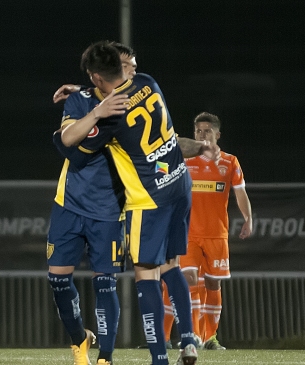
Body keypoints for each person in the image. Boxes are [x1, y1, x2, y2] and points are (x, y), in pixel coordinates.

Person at [59, 41, 219, 365]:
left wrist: (87, 107)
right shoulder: (148, 82)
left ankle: (159, 359)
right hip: (179, 183)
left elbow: (69, 141)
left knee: (145, 274)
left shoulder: (110, 115)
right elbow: (125, 91)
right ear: (123, 69)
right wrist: (84, 90)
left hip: (149, 199)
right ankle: (188, 340)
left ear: (96, 77)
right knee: (172, 264)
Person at [47, 42, 136, 365]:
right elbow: (67, 138)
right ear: (104, 75)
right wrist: (95, 110)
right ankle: (79, 340)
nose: (131, 73)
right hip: (68, 203)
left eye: (133, 67)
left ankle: (106, 357)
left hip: (110, 208)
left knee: (105, 282)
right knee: (57, 278)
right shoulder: (81, 99)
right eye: (126, 67)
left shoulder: (137, 104)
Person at [178, 112, 253, 350]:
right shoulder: (184, 159)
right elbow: (162, 162)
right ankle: (193, 335)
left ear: (217, 134)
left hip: (216, 234)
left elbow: (240, 192)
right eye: (198, 131)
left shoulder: (230, 162)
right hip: (188, 233)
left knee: (212, 285)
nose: (202, 134)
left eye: (207, 131)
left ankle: (210, 336)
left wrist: (248, 218)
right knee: (189, 280)